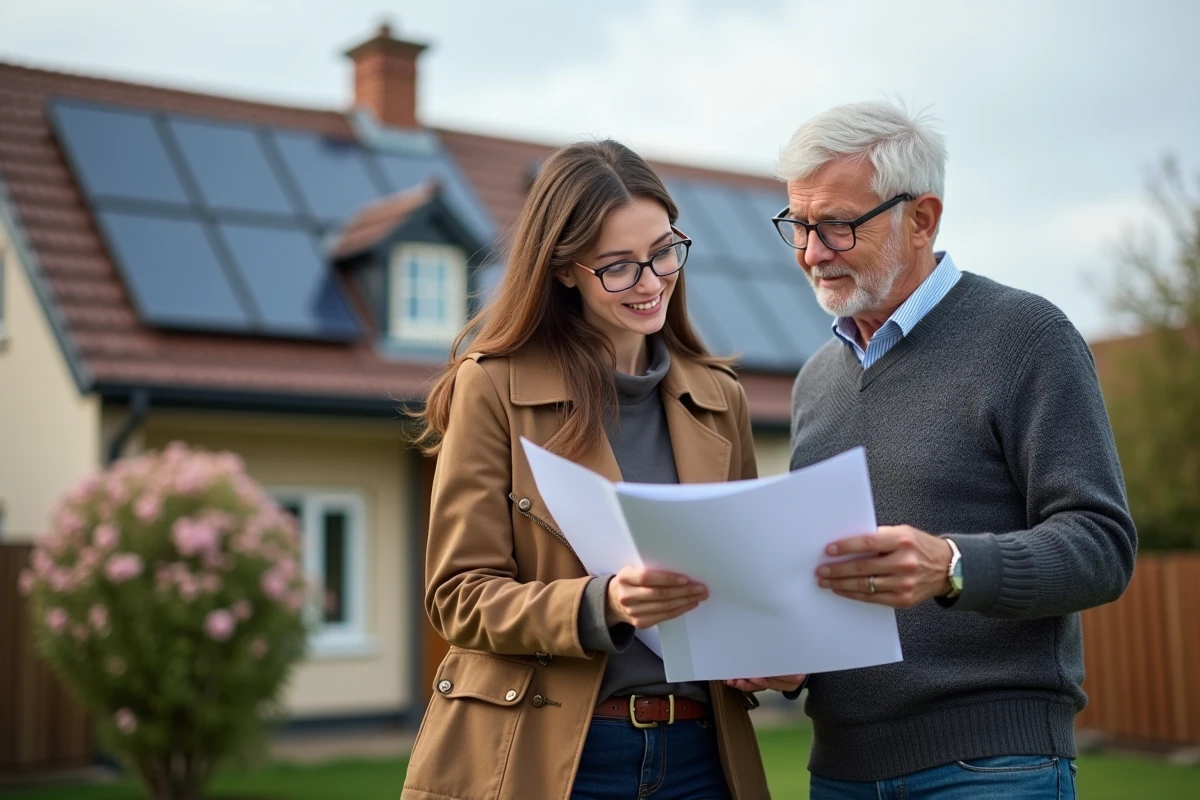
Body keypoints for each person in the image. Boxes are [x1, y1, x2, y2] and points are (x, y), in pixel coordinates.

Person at [774, 101, 1137, 799]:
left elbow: (1102, 546)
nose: (812, 252)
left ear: (921, 219)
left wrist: (955, 566)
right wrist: (786, 661)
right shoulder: (814, 382)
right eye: (800, 225)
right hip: (840, 770)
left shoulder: (1026, 336)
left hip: (992, 766)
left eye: (839, 226)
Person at [401, 140, 778, 800]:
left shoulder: (722, 399)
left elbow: (739, 585)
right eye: (618, 267)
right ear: (565, 270)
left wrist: (768, 649)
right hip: (552, 758)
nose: (652, 280)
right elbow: (456, 595)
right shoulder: (493, 388)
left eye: (664, 252)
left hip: (701, 756)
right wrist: (599, 604)